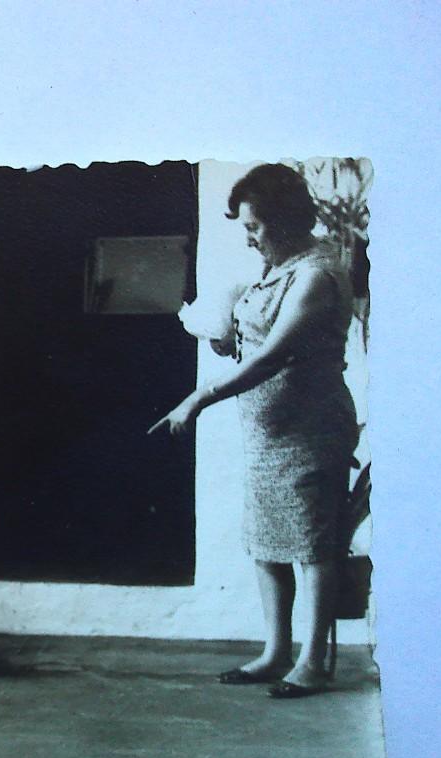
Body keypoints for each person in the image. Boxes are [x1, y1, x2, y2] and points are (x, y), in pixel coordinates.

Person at [149, 163, 358, 699]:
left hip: (311, 429)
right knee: (268, 542)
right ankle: (275, 651)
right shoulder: (276, 269)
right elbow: (249, 339)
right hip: (269, 434)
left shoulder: (317, 274)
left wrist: (198, 398)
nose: (249, 239)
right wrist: (223, 337)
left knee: (313, 546)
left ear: (286, 221)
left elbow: (272, 357)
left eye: (254, 228)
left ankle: (312, 662)